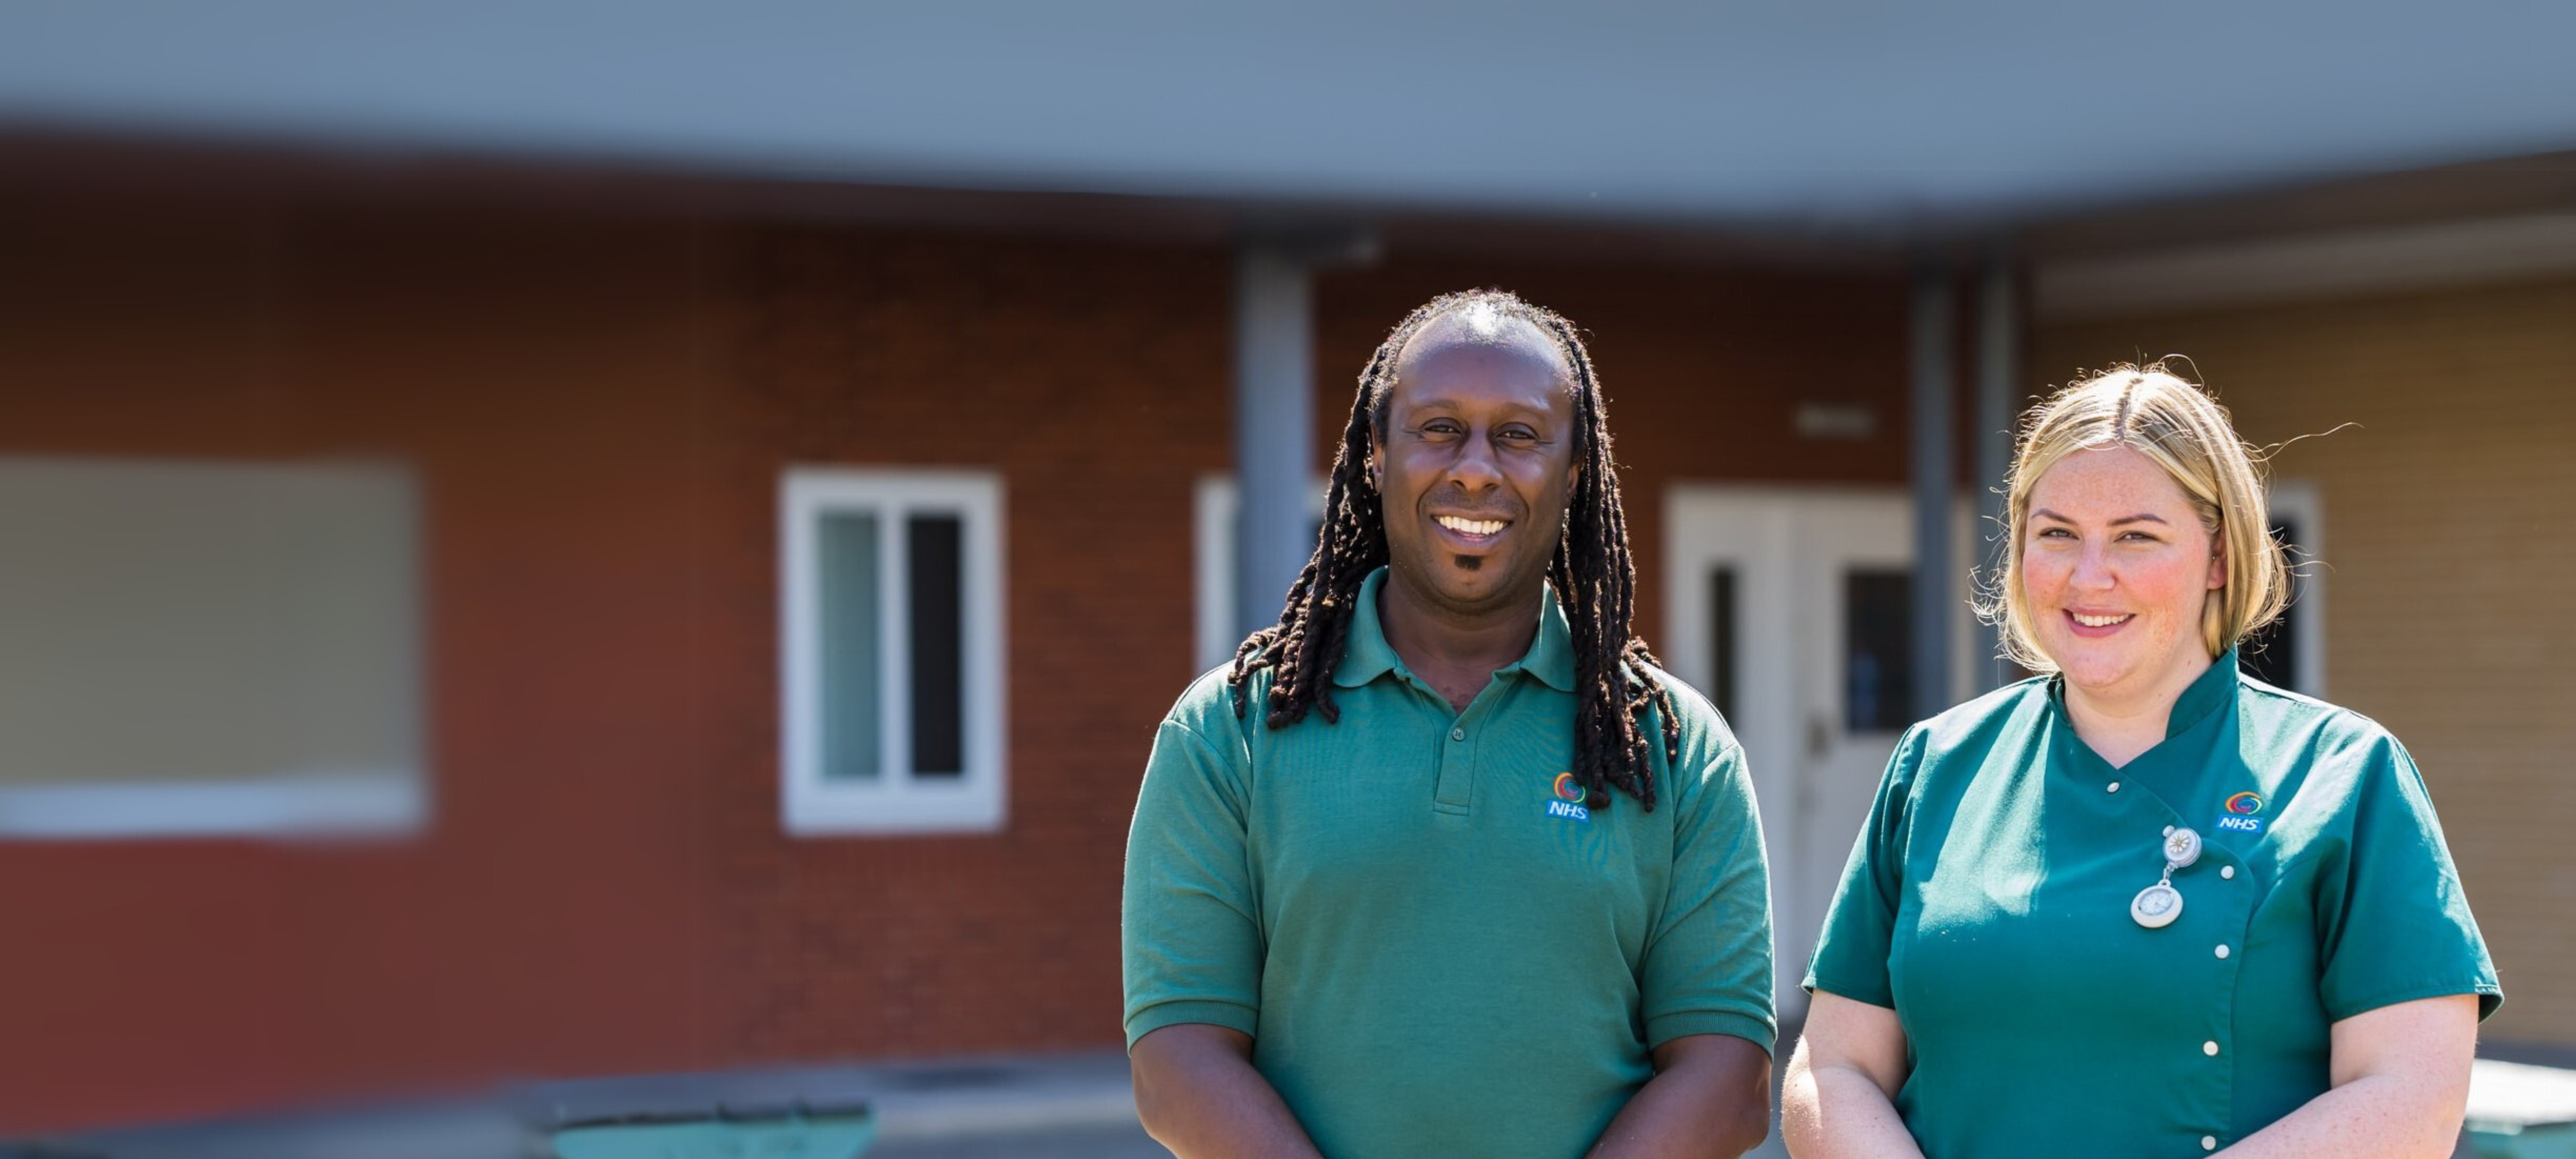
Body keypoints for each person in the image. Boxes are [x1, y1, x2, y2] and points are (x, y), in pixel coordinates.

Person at [1781, 363, 2502, 1159]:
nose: (2090, 577)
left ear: (2220, 556)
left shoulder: (2345, 776)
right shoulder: (1939, 765)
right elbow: (1832, 1066)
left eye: (2136, 536)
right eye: (2057, 533)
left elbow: (2412, 1101)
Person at [1122, 290, 1775, 1159]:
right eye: (1438, 429)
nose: (1476, 469)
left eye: (1518, 435)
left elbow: (1728, 1080)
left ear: (1574, 472)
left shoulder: (1673, 748)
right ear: (1374, 458)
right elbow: (1178, 1059)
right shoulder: (1228, 731)